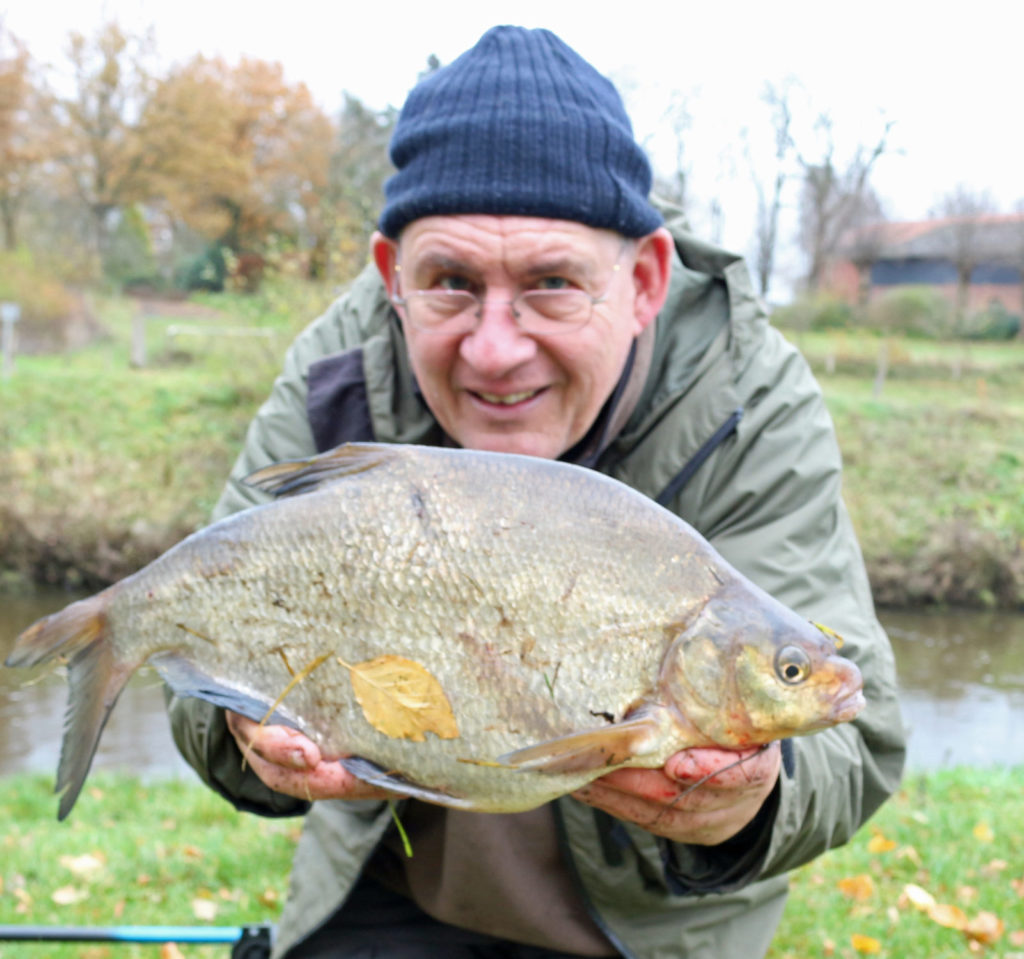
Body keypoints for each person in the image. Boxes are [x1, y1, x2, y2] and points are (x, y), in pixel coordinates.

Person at [168, 25, 905, 959]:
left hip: (649, 915)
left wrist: (747, 801)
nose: (495, 347)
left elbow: (855, 730)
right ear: (392, 275)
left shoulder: (745, 396)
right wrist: (245, 736)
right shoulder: (339, 370)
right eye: (451, 283)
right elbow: (194, 630)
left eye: (553, 284)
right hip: (392, 870)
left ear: (642, 281)